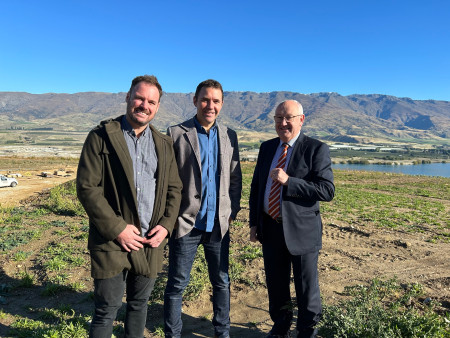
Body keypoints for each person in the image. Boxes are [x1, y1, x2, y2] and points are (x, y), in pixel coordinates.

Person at [76, 75, 182, 337]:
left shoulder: (164, 144)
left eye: (151, 102)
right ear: (127, 97)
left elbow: (174, 189)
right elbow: (88, 188)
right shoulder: (101, 137)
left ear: (157, 107)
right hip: (111, 240)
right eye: (139, 98)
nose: (144, 105)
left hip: (149, 241)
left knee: (138, 305)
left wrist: (166, 227)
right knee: (106, 310)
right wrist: (118, 229)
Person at [249, 100, 335, 338]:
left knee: (306, 287)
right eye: (278, 118)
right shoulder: (267, 148)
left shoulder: (316, 148)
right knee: (276, 284)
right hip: (271, 227)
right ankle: (281, 326)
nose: (282, 123)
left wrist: (289, 182)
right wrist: (254, 223)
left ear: (301, 119)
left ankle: (307, 331)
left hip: (302, 231)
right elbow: (257, 187)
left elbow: (327, 190)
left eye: (288, 118)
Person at [164, 79, 242, 338]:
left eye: (216, 101)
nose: (210, 105)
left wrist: (232, 211)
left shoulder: (229, 135)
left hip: (218, 224)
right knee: (177, 284)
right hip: (186, 223)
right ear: (195, 100)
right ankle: (172, 334)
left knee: (221, 282)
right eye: (205, 99)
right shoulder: (176, 133)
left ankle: (223, 332)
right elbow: (166, 179)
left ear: (221, 104)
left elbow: (235, 177)